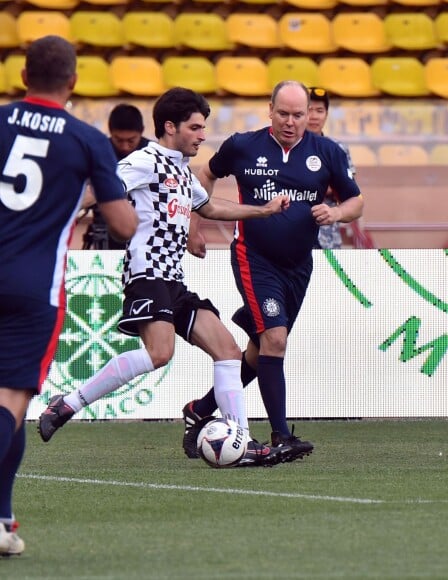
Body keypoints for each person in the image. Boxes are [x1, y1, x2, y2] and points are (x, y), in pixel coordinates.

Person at [38, 87, 291, 468]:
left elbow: (209, 206)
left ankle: (240, 442)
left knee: (226, 349)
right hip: (147, 272)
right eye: (195, 127)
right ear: (170, 126)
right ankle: (67, 404)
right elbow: (101, 189)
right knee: (160, 353)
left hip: (172, 279)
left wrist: (263, 211)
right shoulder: (145, 161)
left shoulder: (179, 169)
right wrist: (60, 215)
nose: (202, 135)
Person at [0, 36, 138, 557]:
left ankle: (3, 518)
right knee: (11, 399)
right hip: (33, 287)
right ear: (74, 82)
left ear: (22, 76)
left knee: (7, 405)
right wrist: (81, 198)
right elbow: (123, 223)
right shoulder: (85, 140)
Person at [182, 80, 364, 462]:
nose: (291, 122)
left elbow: (356, 201)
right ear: (270, 109)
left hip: (299, 265)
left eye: (299, 115)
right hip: (254, 257)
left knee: (262, 348)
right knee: (276, 340)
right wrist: (194, 227)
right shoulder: (243, 146)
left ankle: (200, 410)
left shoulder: (326, 152)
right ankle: (280, 435)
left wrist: (335, 213)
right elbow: (204, 177)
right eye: (283, 113)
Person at [83, 104, 150, 250]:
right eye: (119, 140)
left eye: (131, 140)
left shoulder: (152, 154)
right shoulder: (99, 151)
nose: (125, 146)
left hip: (146, 231)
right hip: (105, 228)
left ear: (142, 132)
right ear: (110, 132)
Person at [306, 87, 356, 250]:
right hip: (291, 237)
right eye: (309, 110)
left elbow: (350, 193)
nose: (313, 116)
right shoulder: (287, 147)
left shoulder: (337, 148)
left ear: (326, 114)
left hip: (328, 237)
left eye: (319, 110)